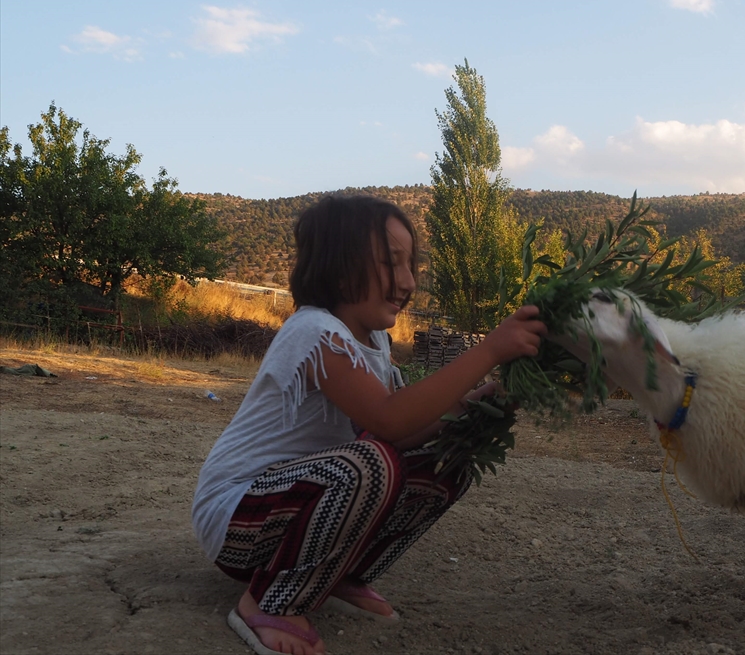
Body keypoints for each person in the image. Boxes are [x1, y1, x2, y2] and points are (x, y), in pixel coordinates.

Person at [192, 194, 545, 655]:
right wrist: (489, 351)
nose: (408, 281)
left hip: (296, 506)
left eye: (411, 265)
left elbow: (397, 428)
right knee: (370, 464)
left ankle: (337, 573)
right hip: (240, 517)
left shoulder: (374, 339)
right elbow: (388, 421)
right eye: (389, 263)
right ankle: (268, 603)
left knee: (451, 455)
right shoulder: (314, 331)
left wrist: (474, 405)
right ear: (339, 267)